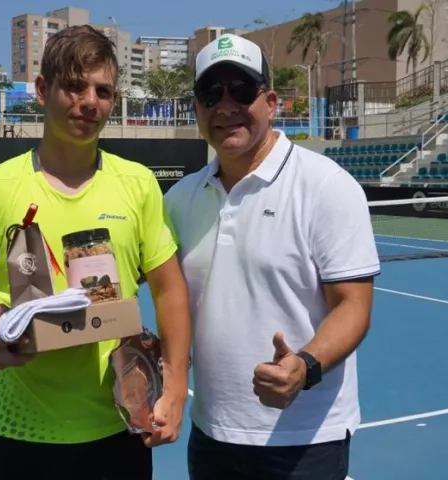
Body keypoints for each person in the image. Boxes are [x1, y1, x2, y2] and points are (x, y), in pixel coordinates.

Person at [0, 25, 191, 479]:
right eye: (74, 85)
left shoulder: (138, 184)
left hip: (119, 431)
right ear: (43, 90)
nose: (89, 101)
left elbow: (169, 290)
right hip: (22, 435)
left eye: (103, 91)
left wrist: (177, 385)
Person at [163, 34, 380, 479]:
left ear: (271, 101)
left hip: (304, 441)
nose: (225, 107)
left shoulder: (326, 186)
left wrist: (304, 365)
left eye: (241, 90)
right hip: (212, 434)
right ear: (197, 107)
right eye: (211, 93)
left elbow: (354, 306)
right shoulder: (181, 198)